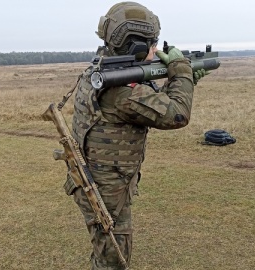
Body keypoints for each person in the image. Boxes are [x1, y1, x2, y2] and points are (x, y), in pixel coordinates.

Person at [66, 2, 207, 269]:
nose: (155, 51)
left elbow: (149, 103)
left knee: (104, 251)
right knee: (113, 262)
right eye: (153, 45)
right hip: (106, 193)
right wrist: (181, 72)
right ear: (137, 48)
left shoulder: (101, 71)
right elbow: (176, 114)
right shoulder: (120, 89)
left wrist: (181, 83)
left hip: (95, 181)